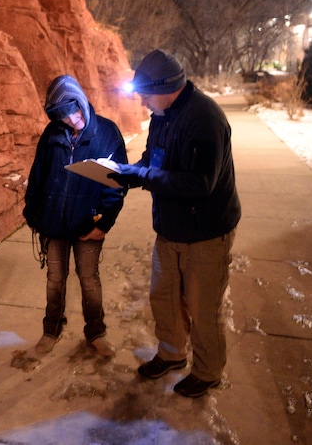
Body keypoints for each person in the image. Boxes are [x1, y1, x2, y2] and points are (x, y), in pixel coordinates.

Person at [110, 50, 241, 397]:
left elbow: (199, 184)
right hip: (169, 229)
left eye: (146, 95)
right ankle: (171, 354)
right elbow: (153, 161)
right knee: (165, 297)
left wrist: (144, 174)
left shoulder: (204, 119)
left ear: (167, 87)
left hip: (205, 233)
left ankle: (208, 371)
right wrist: (124, 173)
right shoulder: (162, 115)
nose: (142, 102)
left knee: (202, 307)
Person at [23, 74, 128, 358]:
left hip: (88, 224)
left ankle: (96, 332)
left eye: (75, 111)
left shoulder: (107, 133)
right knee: (55, 279)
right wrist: (33, 215)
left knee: (88, 278)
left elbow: (115, 184)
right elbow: (38, 177)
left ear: (81, 101)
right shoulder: (51, 134)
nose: (72, 120)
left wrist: (104, 223)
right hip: (53, 225)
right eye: (65, 117)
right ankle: (51, 330)